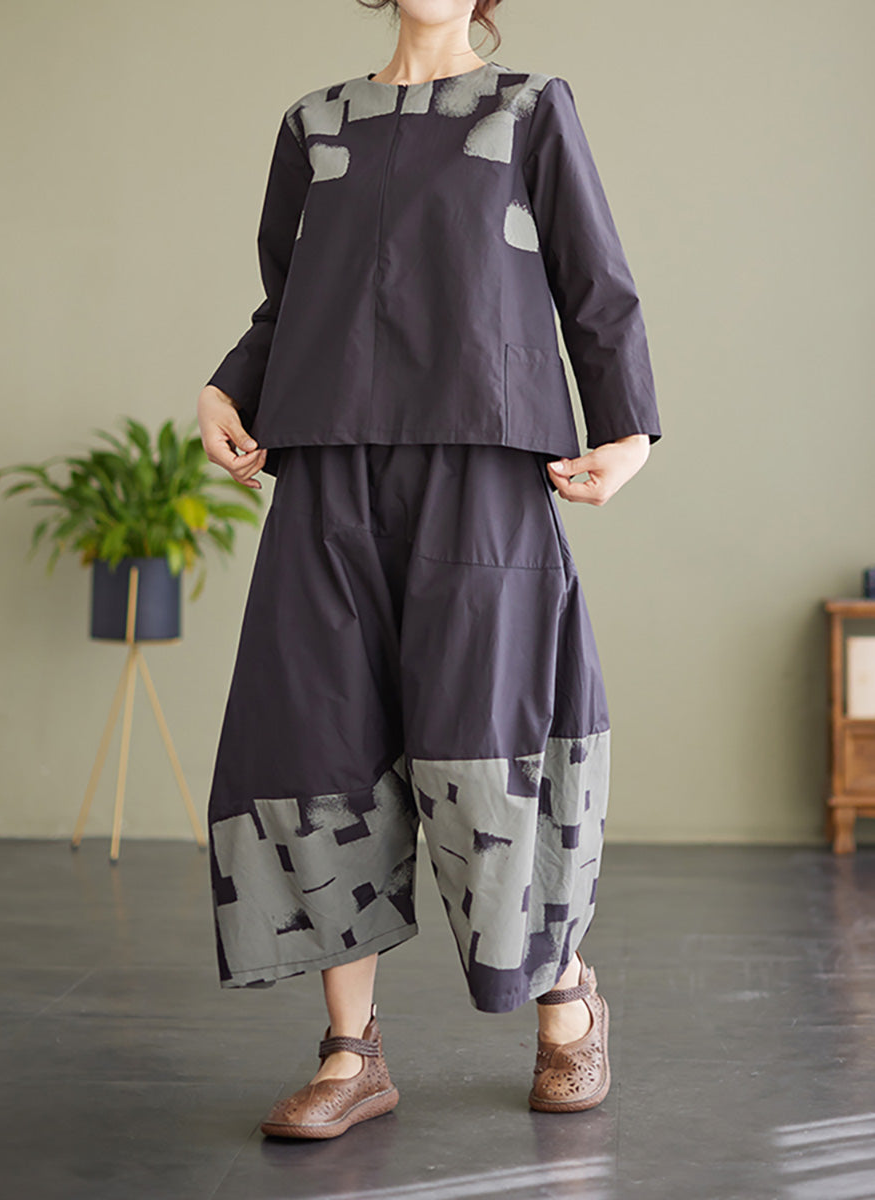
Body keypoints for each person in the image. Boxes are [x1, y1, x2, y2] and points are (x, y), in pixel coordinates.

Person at [196, 0, 662, 1140]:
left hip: (482, 461)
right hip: (327, 467)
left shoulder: (529, 109)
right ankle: (349, 1052)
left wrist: (628, 429)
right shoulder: (316, 123)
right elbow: (288, 299)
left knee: (488, 740)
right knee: (315, 740)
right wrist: (228, 385)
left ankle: (565, 999)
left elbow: (593, 281)